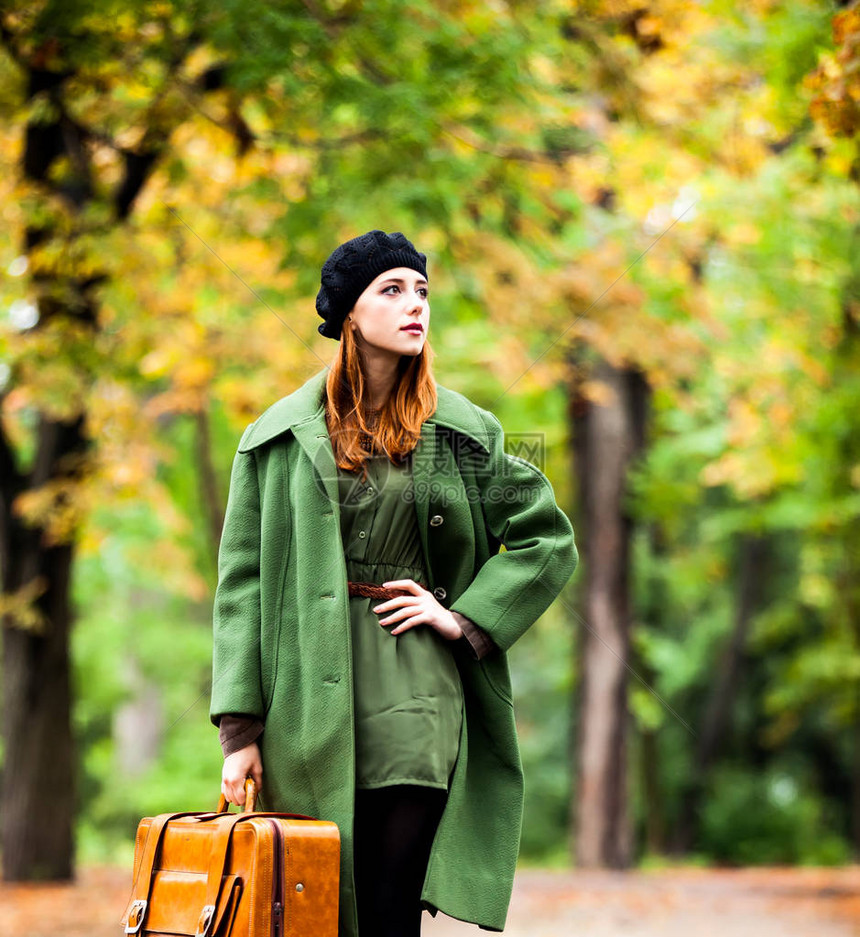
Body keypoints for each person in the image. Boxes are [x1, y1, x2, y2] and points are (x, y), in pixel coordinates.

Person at [209, 230, 578, 937]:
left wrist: (463, 619)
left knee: (386, 911)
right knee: (311, 914)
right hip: (303, 709)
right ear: (349, 312)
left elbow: (545, 537)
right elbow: (242, 588)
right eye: (393, 289)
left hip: (416, 692)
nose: (416, 305)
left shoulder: (461, 433)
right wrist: (238, 731)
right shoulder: (275, 438)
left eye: (422, 291)